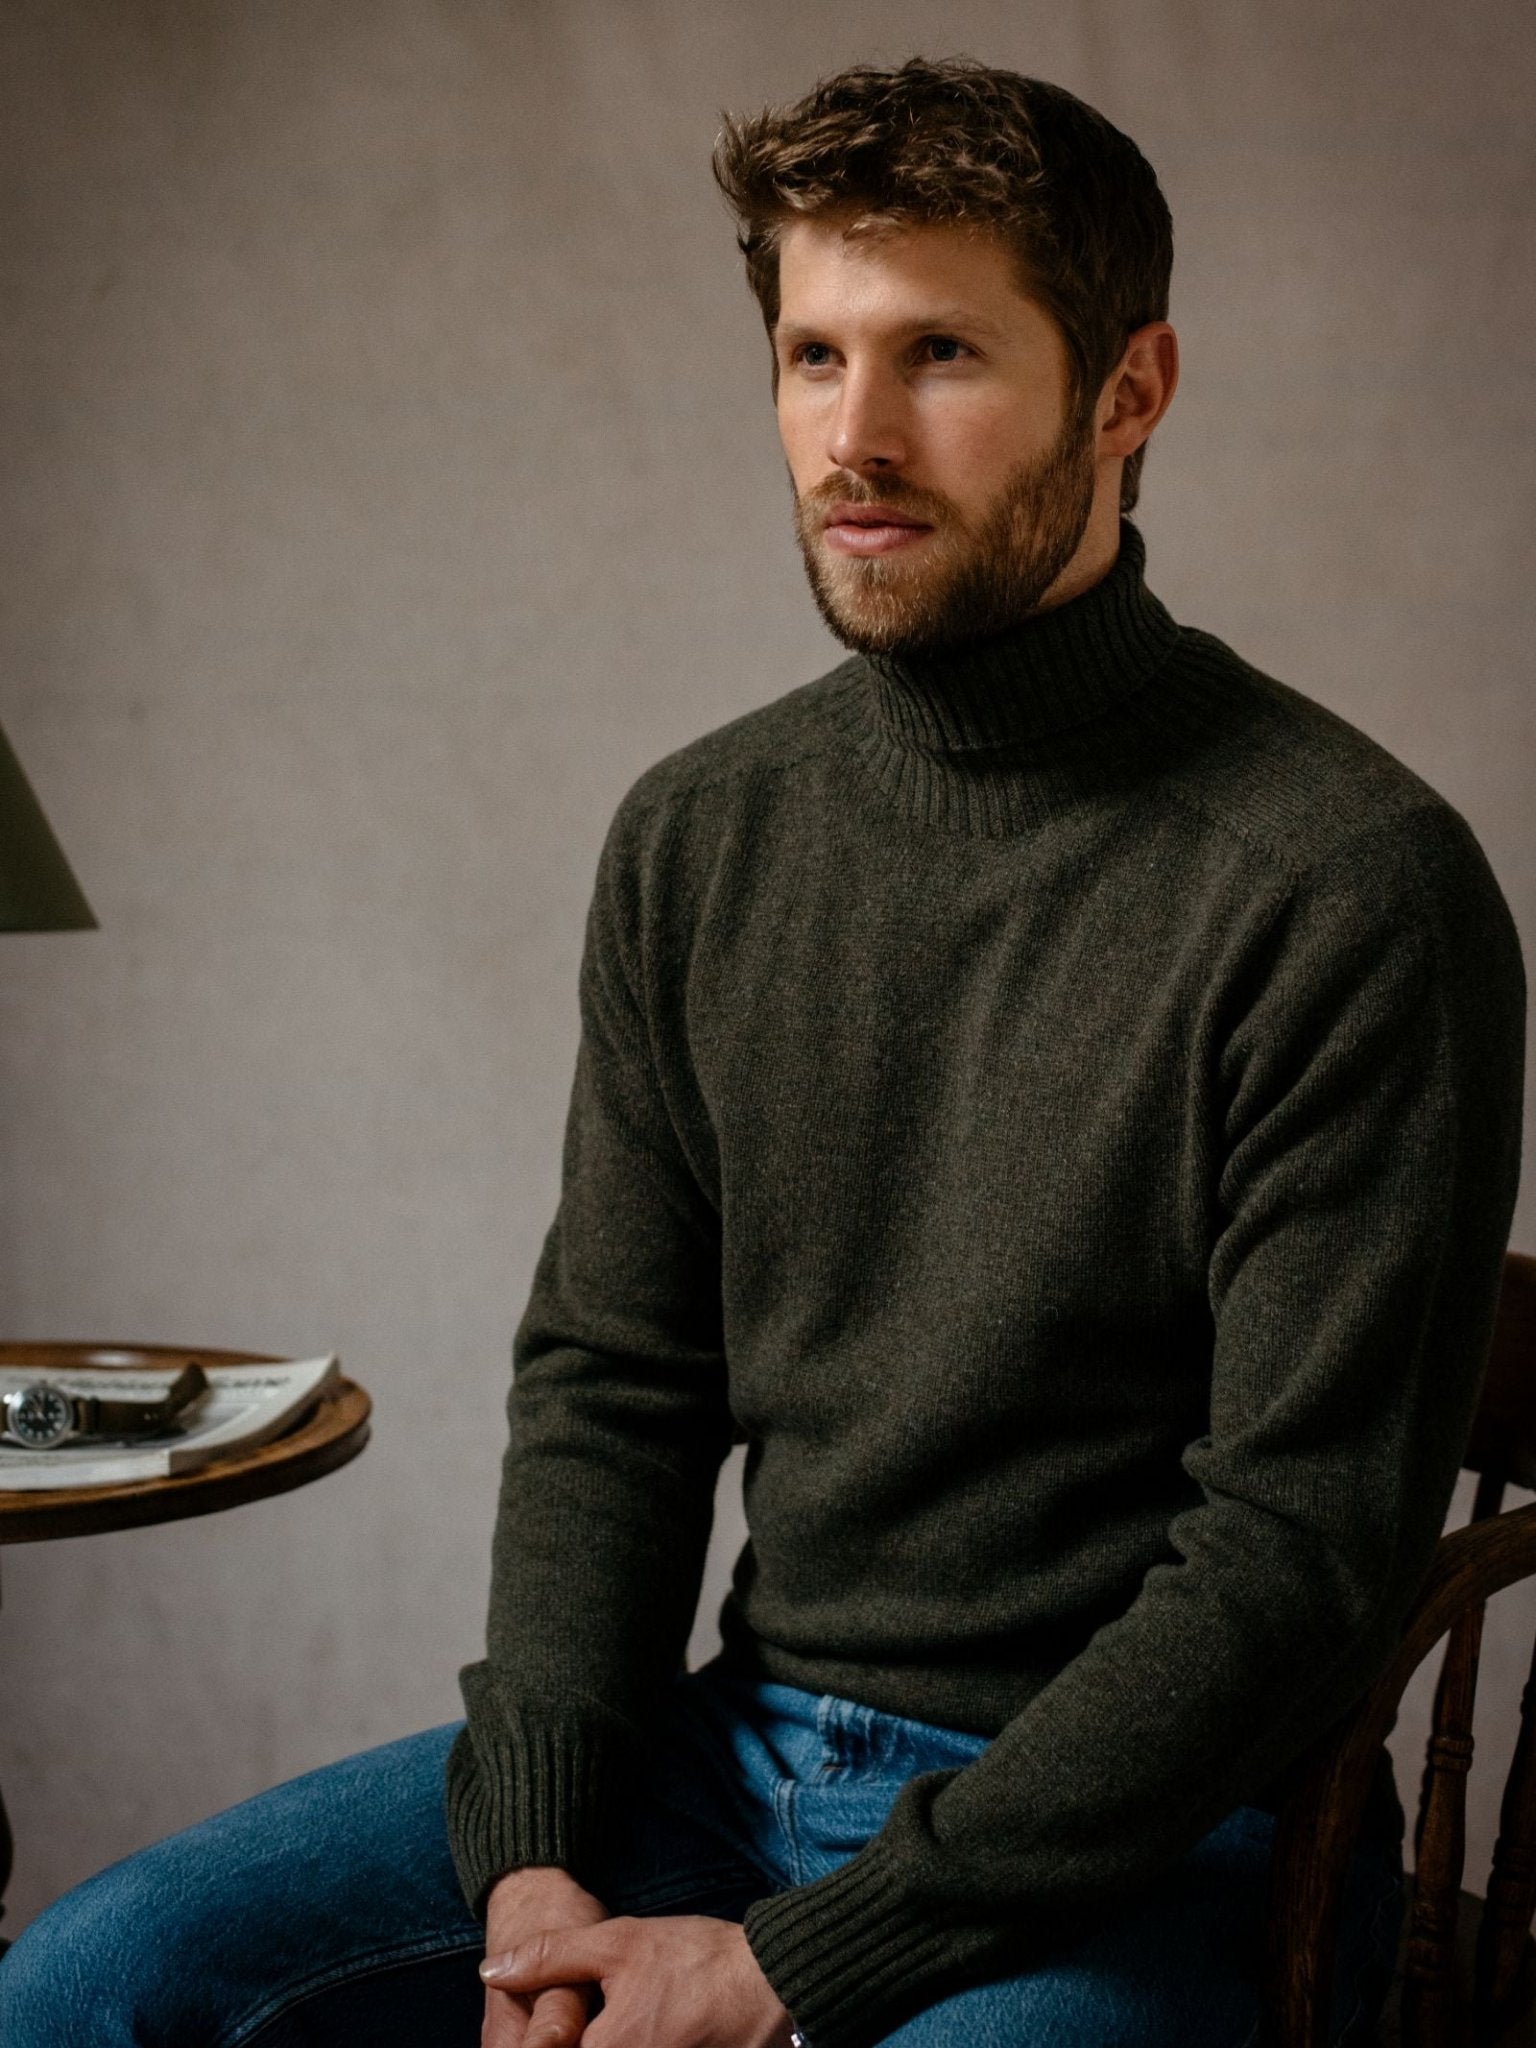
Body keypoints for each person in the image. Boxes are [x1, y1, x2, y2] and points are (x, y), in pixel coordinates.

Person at [0, 54, 1525, 2048]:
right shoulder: (705, 836)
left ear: (1132, 391)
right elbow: (618, 1386)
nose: (855, 435)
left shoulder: (1347, 887)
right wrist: (539, 1851)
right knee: (94, 1987)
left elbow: (1289, 1570)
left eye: (941, 355)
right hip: (718, 1769)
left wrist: (782, 1970)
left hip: (1153, 1838)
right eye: (813, 355)